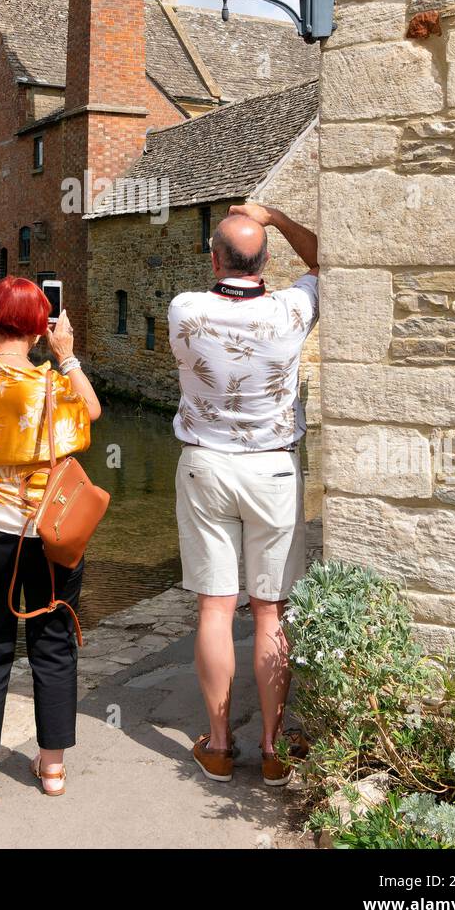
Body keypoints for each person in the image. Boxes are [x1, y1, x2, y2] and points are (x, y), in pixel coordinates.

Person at [168, 203, 318, 786]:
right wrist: (276, 215)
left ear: (214, 257)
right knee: (269, 611)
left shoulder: (185, 308)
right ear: (268, 261)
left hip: (206, 465)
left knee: (215, 606)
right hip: (272, 471)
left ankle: (221, 744)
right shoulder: (291, 309)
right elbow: (328, 261)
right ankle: (276, 748)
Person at [0, 276, 102, 804]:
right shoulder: (54, 385)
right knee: (54, 642)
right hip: (50, 534)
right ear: (43, 326)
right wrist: (68, 357)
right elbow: (92, 414)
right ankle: (54, 769)